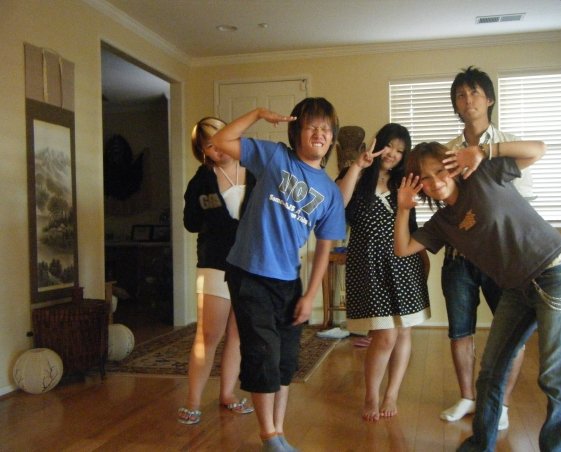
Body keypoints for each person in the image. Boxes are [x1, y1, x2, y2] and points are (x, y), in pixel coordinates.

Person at [394, 141, 561, 452]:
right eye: (425, 178)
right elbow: (403, 249)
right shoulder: (442, 223)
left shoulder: (483, 175)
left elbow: (538, 150)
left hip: (556, 272)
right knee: (491, 371)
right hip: (517, 288)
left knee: (554, 375)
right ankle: (480, 445)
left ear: (452, 168)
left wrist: (487, 150)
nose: (435, 182)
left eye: (440, 171)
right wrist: (403, 208)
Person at [212, 98, 347, 452]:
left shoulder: (330, 193)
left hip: (288, 281)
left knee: (286, 361)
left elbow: (325, 247)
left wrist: (310, 295)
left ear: (332, 138)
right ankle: (268, 435)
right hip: (249, 272)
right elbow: (221, 141)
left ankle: (279, 432)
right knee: (263, 352)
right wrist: (257, 113)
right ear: (296, 131)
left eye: (326, 129)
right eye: (311, 126)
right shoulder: (275, 157)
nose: (319, 133)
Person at [439, 66, 534, 429]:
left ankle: (501, 404)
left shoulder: (508, 144)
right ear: (455, 104)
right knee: (460, 330)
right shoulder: (447, 151)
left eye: (474, 93)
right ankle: (467, 397)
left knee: (513, 332)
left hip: (502, 257)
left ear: (489, 99)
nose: (468, 101)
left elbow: (524, 193)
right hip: (459, 257)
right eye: (461, 95)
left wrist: (485, 152)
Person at [336, 123, 430, 421]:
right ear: (378, 144)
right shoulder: (356, 174)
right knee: (385, 334)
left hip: (403, 262)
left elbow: (411, 227)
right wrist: (358, 166)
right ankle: (371, 395)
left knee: (403, 331)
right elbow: (337, 205)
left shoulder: (405, 181)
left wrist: (424, 261)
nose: (393, 154)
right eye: (390, 146)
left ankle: (391, 394)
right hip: (367, 263)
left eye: (401, 151)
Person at [177, 117, 255, 425]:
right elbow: (191, 222)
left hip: (251, 263)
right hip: (215, 263)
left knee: (237, 334)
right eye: (209, 145)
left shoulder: (255, 170)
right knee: (208, 335)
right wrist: (208, 208)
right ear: (202, 151)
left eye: (220, 139)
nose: (217, 149)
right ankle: (193, 401)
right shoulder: (201, 180)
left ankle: (228, 394)